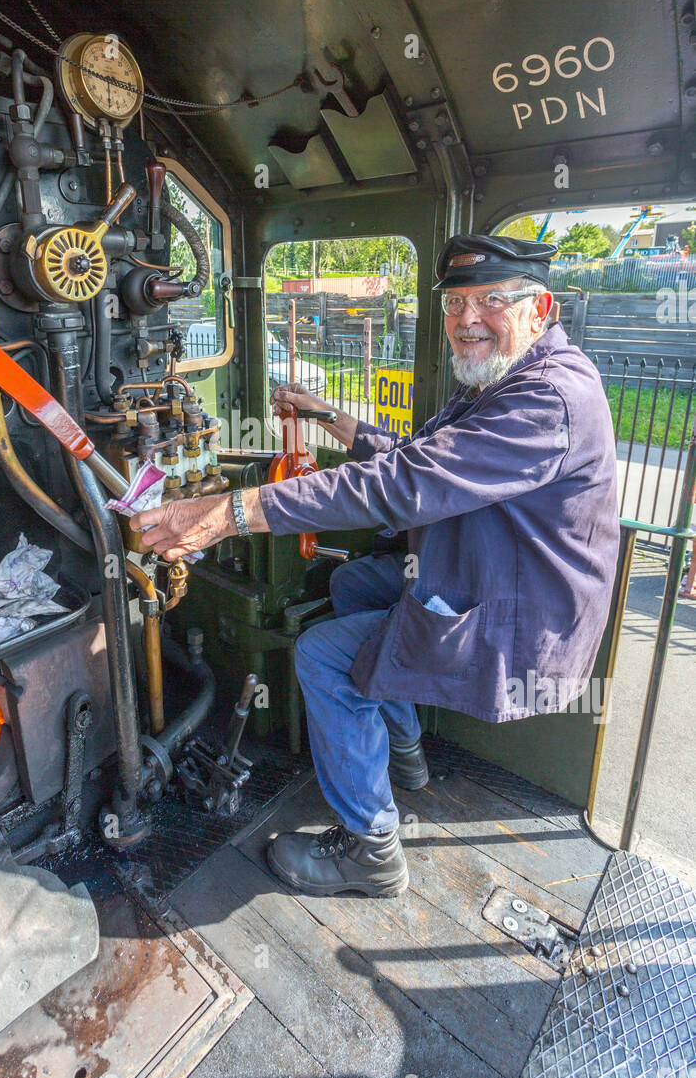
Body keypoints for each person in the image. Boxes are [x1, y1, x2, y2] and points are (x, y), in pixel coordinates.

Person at [136, 235, 620, 898]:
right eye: (455, 302)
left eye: (491, 301)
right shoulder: (505, 378)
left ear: (543, 308)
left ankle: (371, 849)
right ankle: (404, 742)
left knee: (322, 657)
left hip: (516, 619)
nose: (467, 319)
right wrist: (325, 416)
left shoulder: (548, 397)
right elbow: (414, 456)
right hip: (479, 575)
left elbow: (407, 483)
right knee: (351, 580)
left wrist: (232, 511)